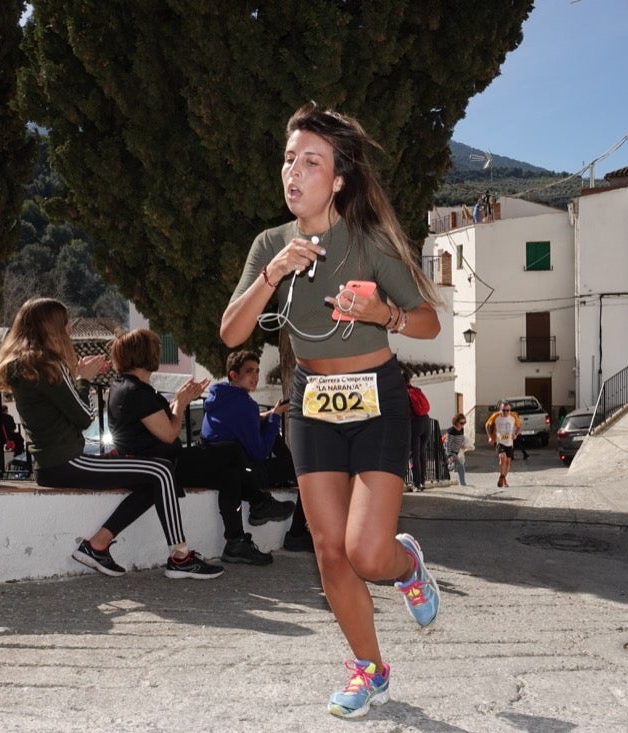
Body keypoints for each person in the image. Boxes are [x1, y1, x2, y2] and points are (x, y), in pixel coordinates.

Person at [219, 102, 444, 718]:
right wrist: (271, 272)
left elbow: (428, 322)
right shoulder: (270, 244)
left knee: (369, 553)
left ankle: (406, 565)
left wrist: (385, 316)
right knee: (329, 552)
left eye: (311, 162)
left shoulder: (369, 240)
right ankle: (369, 669)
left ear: (338, 179)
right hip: (311, 406)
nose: (294, 172)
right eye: (289, 160)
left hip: (376, 400)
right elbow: (232, 332)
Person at [0, 298, 222, 581]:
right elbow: (85, 416)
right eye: (64, 323)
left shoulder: (21, 366)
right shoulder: (48, 365)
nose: (68, 329)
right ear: (51, 327)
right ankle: (181, 557)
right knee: (161, 470)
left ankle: (97, 545)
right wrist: (84, 379)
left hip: (51, 463)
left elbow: (57, 411)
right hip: (68, 462)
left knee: (152, 481)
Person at [106, 330, 285, 566]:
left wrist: (180, 402)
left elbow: (156, 421)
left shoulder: (124, 386)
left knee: (228, 470)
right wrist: (181, 404)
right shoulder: (135, 391)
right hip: (163, 465)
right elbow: (169, 434)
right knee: (230, 452)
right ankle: (255, 509)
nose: (159, 352)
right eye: (155, 348)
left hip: (161, 461)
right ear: (145, 354)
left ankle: (238, 538)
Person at [201, 349, 308, 551]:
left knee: (268, 427)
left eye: (257, 371)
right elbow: (258, 452)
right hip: (244, 472)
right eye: (249, 371)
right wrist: (275, 417)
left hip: (218, 467)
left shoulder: (219, 396)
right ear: (234, 374)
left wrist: (270, 414)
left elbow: (242, 422)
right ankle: (297, 533)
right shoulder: (245, 404)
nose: (256, 376)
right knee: (305, 474)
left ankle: (274, 507)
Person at [404, 370, 431, 492]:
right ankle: (422, 481)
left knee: (414, 455)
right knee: (422, 453)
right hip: (426, 421)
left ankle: (416, 484)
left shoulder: (403, 393)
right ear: (410, 380)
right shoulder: (417, 390)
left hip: (415, 424)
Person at [485, 401, 520, 487]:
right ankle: (502, 477)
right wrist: (490, 437)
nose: (506, 412)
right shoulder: (495, 416)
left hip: (510, 443)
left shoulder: (513, 416)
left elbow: (519, 426)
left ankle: (503, 477)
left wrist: (515, 434)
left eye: (508, 410)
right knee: (502, 457)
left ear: (510, 410)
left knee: (508, 462)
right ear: (500, 410)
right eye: (504, 410)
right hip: (499, 441)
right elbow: (487, 425)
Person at [0, 404, 29, 478]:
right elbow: (13, 427)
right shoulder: (9, 417)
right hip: (8, 437)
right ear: (5, 410)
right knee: (19, 440)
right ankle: (17, 458)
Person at [443, 413, 468, 486]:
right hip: (451, 452)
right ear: (456, 422)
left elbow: (460, 439)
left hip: (456, 452)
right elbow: (448, 444)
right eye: (461, 423)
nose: (463, 424)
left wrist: (462, 445)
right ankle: (463, 483)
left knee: (450, 467)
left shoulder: (461, 429)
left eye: (464, 422)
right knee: (461, 466)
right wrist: (449, 455)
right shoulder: (451, 431)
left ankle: (446, 469)